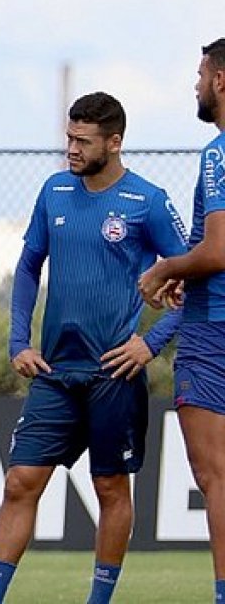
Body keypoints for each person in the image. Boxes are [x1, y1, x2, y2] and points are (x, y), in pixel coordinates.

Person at [0, 92, 187, 604]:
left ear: (114, 143)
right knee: (20, 482)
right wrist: (18, 341)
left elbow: (194, 283)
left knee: (110, 488)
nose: (71, 148)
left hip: (114, 373)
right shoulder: (54, 191)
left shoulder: (148, 201)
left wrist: (151, 343)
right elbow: (29, 266)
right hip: (54, 372)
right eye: (69, 138)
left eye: (82, 141)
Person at [139, 38, 225, 603]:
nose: (195, 85)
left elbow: (218, 250)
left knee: (216, 476)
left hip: (213, 328)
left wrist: (167, 267)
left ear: (221, 80)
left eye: (200, 74)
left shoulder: (218, 154)